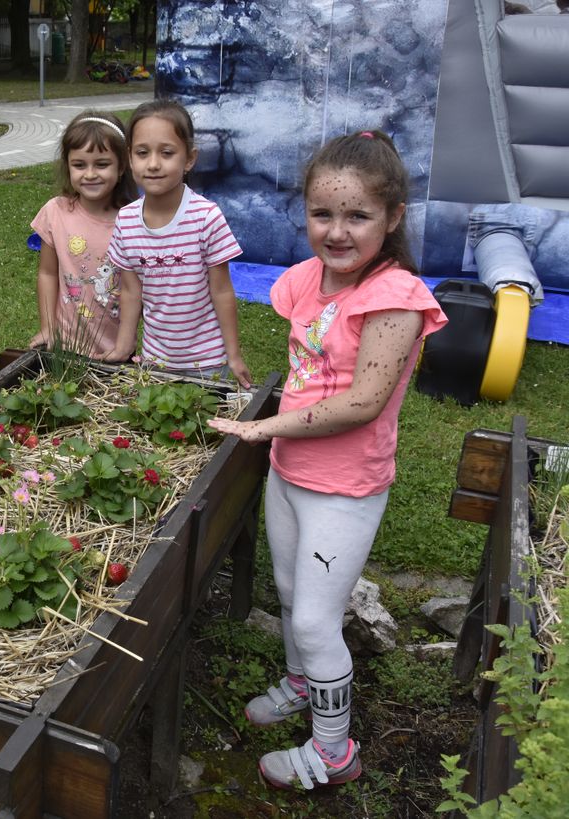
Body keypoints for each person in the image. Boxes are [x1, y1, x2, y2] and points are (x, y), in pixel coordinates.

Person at [207, 130, 447, 790]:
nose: (337, 231)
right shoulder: (309, 279)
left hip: (343, 487)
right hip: (292, 473)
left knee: (316, 618)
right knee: (290, 596)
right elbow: (309, 369)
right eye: (323, 213)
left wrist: (266, 427)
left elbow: (363, 402)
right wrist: (278, 438)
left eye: (358, 216)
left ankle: (334, 752)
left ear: (393, 217)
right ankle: (303, 681)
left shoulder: (394, 297)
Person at [104, 98, 252, 387]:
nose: (154, 164)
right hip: (154, 362)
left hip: (208, 362)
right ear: (130, 159)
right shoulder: (126, 220)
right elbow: (131, 292)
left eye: (167, 153)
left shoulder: (206, 217)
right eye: (142, 153)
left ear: (189, 159)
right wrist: (124, 348)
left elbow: (222, 291)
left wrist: (233, 355)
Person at [28, 110, 138, 358]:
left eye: (102, 164)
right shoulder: (55, 212)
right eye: (79, 165)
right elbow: (47, 273)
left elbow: (138, 290)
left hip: (116, 351)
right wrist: (48, 328)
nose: (89, 174)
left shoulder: (132, 220)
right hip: (65, 347)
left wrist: (126, 342)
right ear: (68, 166)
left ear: (122, 166)